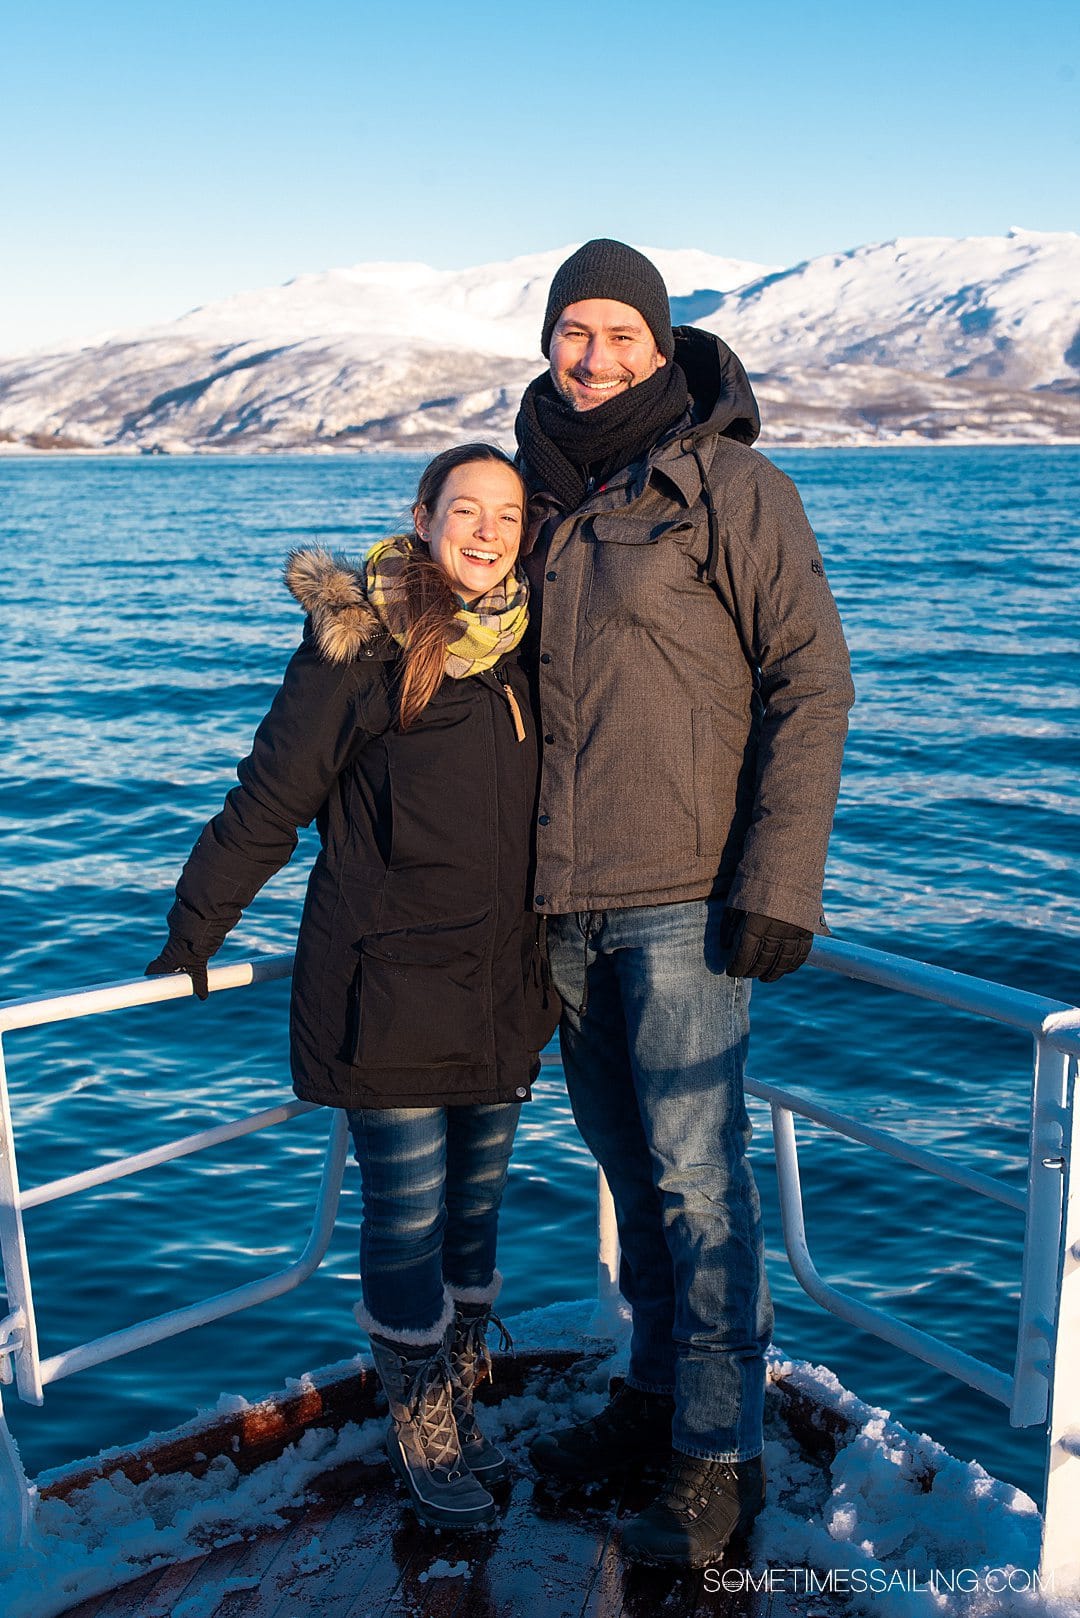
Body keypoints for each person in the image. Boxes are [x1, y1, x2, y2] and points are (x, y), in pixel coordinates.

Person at [514, 240, 855, 1565]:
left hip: (681, 900)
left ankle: (721, 1459)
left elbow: (810, 679)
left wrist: (779, 880)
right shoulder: (530, 499)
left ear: (662, 348)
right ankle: (655, 1399)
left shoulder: (729, 485)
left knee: (703, 1186)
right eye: (570, 332)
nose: (591, 356)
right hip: (562, 905)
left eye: (618, 334)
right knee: (631, 1176)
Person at [145, 443, 557, 1531]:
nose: (484, 529)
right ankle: (421, 1421)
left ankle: (462, 1383)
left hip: (503, 992)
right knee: (409, 1217)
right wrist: (197, 926)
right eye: (462, 507)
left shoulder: (529, 650)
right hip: (389, 995)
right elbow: (270, 796)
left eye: (506, 514)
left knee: (477, 1216)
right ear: (421, 518)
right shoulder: (357, 651)